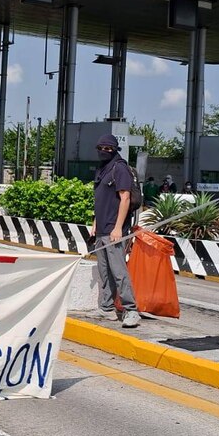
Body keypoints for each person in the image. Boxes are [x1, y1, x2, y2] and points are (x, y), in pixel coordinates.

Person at [90, 135, 141, 328]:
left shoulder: (120, 168)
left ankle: (131, 310)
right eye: (101, 148)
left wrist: (118, 227)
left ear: (115, 149)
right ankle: (107, 308)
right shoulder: (103, 169)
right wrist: (95, 222)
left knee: (119, 271)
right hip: (102, 228)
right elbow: (101, 199)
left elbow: (125, 198)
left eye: (108, 148)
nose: (104, 151)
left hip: (114, 229)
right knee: (104, 271)